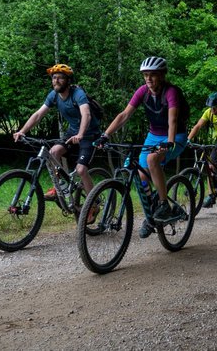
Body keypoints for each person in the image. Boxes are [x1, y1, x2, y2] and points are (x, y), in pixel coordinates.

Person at [98, 56, 189, 238]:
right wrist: (105, 135)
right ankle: (151, 215)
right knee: (141, 174)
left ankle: (164, 204)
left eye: (152, 75)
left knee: (152, 159)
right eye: (145, 75)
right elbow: (124, 115)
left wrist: (169, 142)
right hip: (153, 135)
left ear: (162, 75)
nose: (148, 78)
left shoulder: (171, 92)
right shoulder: (142, 92)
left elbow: (172, 119)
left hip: (175, 135)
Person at [13, 64, 101, 215]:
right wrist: (22, 131)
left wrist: (80, 134)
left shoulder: (78, 93)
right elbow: (38, 115)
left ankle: (94, 203)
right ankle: (61, 186)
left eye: (60, 78)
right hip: (72, 133)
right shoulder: (53, 95)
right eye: (54, 78)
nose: (56, 81)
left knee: (81, 169)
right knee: (53, 152)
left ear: (68, 80)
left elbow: (86, 114)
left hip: (89, 134)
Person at [187, 92, 217, 208]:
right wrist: (188, 139)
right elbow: (198, 126)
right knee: (210, 167)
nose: (212, 109)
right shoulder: (208, 113)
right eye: (210, 107)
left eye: (214, 107)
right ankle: (211, 195)